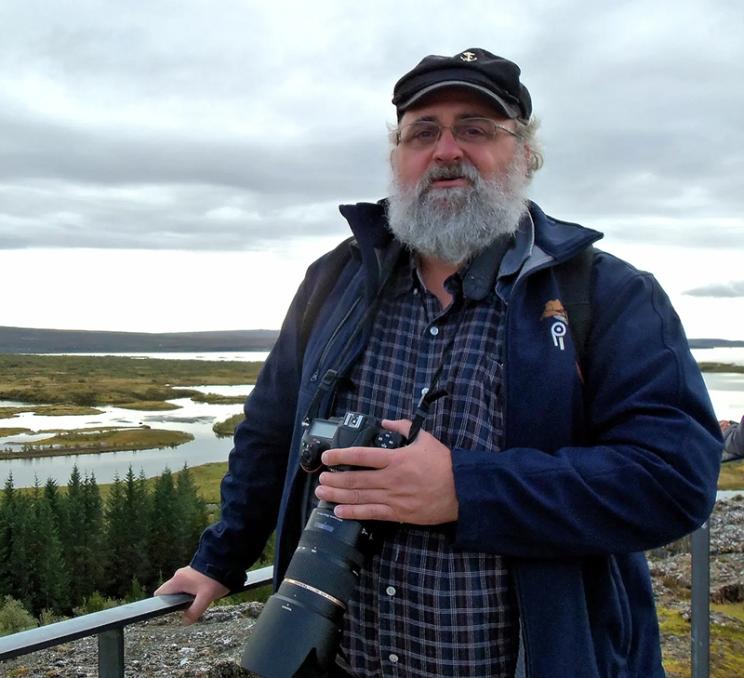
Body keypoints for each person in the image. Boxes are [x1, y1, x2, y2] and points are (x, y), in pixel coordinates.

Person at [157, 48, 722, 677]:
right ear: (397, 157)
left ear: (526, 155)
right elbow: (269, 430)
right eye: (422, 132)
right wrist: (221, 556)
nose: (446, 150)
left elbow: (673, 480)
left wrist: (464, 488)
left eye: (476, 129)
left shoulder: (609, 295)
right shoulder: (336, 281)